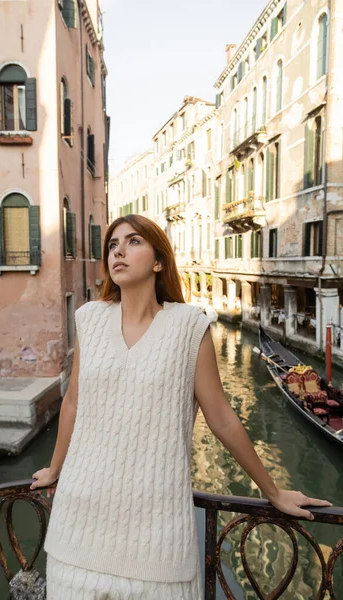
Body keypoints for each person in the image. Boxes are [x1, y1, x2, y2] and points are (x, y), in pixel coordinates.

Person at [31, 215, 331, 600]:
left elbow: (220, 417)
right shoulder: (88, 319)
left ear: (159, 261)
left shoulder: (189, 326)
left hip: (156, 538)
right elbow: (73, 403)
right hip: (78, 526)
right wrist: (55, 468)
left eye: (133, 241)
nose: (118, 251)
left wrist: (271, 491)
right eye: (112, 245)